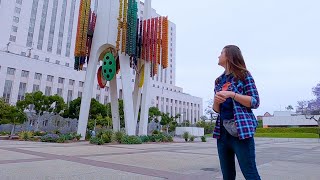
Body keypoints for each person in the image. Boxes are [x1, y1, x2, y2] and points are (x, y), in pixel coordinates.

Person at [213, 45, 261, 180]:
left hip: (241, 131)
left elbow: (255, 101)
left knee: (250, 173)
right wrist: (217, 100)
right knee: (227, 175)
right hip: (222, 132)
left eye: (221, 53)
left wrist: (232, 94)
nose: (218, 55)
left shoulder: (243, 75)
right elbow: (216, 109)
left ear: (229, 56)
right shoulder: (218, 80)